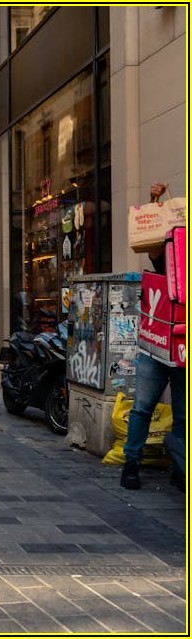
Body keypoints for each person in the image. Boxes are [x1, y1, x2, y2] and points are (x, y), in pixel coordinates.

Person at [121, 182, 186, 491]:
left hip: (182, 349)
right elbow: (151, 241)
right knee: (142, 408)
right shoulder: (172, 253)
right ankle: (130, 464)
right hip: (157, 343)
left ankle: (179, 467)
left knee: (184, 416)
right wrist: (154, 202)